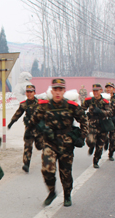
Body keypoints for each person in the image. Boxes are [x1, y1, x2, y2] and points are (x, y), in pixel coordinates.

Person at [29, 78, 88, 207]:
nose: (57, 92)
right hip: (50, 143)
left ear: (63, 91)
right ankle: (51, 191)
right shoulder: (44, 106)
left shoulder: (71, 106)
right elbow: (33, 121)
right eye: (55, 89)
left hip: (66, 143)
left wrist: (82, 136)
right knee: (47, 169)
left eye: (60, 90)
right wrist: (42, 129)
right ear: (52, 90)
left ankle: (67, 195)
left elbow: (84, 120)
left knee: (65, 172)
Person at [8, 84, 40, 173]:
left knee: (40, 145)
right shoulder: (24, 104)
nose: (29, 94)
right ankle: (26, 164)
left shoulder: (40, 103)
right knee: (27, 146)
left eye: (31, 92)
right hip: (29, 128)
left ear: (34, 93)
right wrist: (11, 123)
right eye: (27, 92)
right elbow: (18, 114)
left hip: (39, 130)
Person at [82, 83, 111, 168]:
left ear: (101, 91)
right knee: (90, 141)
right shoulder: (89, 100)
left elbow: (110, 112)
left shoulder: (105, 101)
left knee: (100, 146)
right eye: (94, 91)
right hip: (92, 125)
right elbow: (81, 109)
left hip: (102, 126)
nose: (95, 92)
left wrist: (101, 112)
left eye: (97, 91)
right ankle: (91, 146)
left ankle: (96, 161)